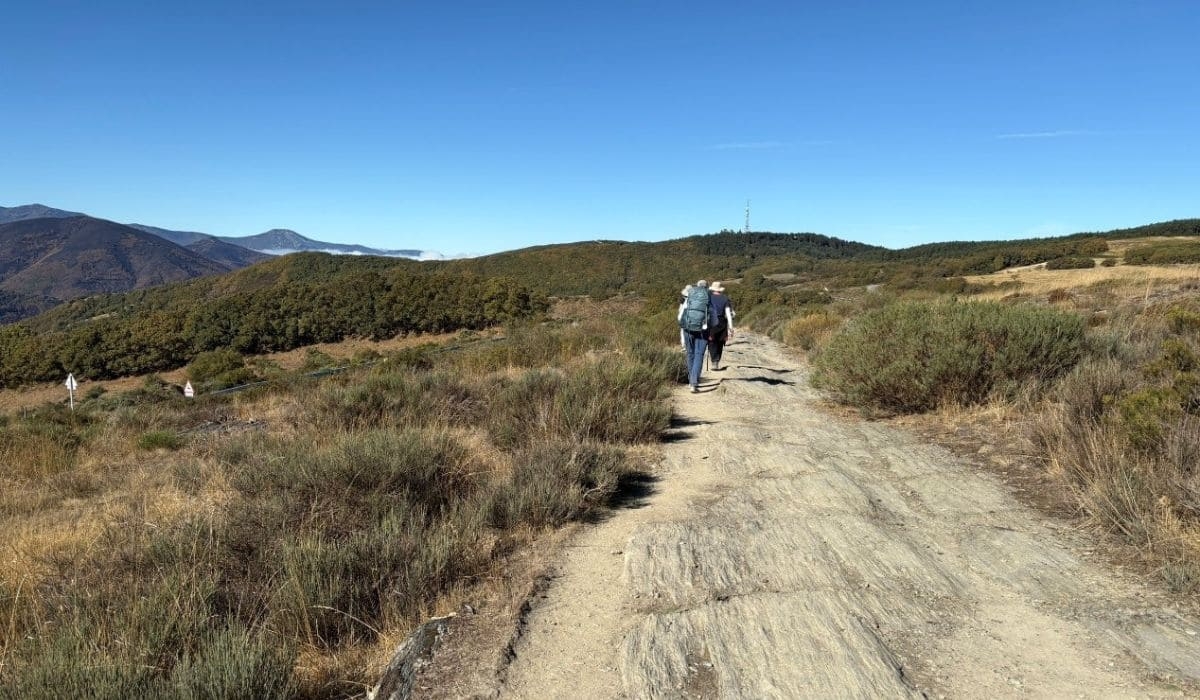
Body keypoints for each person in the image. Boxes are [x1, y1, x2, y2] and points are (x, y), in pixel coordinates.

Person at [678, 279, 710, 393]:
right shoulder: (709, 296)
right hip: (703, 330)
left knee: (690, 353)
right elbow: (714, 319)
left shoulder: (690, 295)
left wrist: (683, 329)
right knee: (699, 355)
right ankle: (694, 382)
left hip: (688, 328)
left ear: (697, 286)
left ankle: (691, 380)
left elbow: (680, 316)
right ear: (707, 287)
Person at [706, 281, 735, 371]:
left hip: (711, 322)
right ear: (720, 290)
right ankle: (717, 361)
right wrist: (731, 327)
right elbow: (728, 314)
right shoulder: (725, 298)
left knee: (712, 342)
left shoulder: (709, 298)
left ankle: (714, 361)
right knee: (720, 342)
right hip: (722, 322)